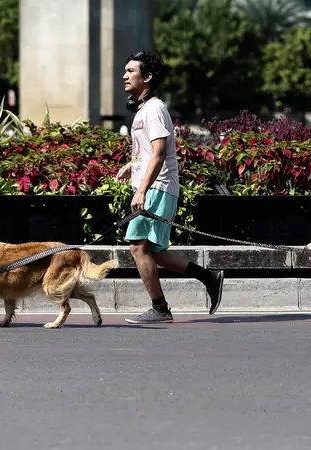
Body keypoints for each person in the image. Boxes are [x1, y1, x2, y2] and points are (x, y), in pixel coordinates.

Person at [115, 50, 224, 324]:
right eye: (125, 70)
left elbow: (161, 153)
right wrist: (133, 165)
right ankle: (208, 278)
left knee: (138, 247)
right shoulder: (143, 110)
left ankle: (160, 309)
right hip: (154, 186)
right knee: (155, 250)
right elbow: (150, 151)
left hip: (158, 187)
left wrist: (141, 190)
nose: (125, 75)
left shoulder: (154, 109)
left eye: (131, 71)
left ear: (147, 77)